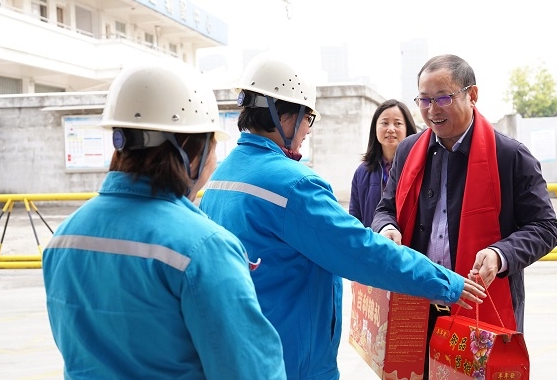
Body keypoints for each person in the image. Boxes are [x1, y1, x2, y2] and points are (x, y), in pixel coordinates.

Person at [199, 52, 486, 380]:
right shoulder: (292, 184)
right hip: (289, 361)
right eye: (308, 117)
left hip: (238, 354)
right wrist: (445, 281)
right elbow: (360, 250)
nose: (308, 129)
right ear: (285, 117)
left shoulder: (220, 178)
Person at [42, 62, 286, 380]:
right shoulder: (204, 248)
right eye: (212, 146)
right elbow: (250, 372)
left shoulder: (64, 237)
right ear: (188, 149)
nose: (214, 160)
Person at [371, 54, 557, 378]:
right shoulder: (408, 150)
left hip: (483, 307)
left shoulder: (510, 155)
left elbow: (545, 226)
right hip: (419, 304)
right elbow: (385, 208)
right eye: (424, 100)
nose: (432, 109)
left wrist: (501, 254)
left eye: (443, 97)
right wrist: (387, 227)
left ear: (472, 95)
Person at [349, 99, 417, 227]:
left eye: (397, 123)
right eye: (385, 123)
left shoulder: (418, 167)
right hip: (373, 244)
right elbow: (355, 219)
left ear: (407, 128)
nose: (391, 129)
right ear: (375, 128)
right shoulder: (362, 172)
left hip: (408, 246)